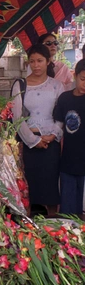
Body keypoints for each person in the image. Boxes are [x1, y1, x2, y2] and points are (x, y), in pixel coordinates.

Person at [12, 44, 63, 217]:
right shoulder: (20, 85)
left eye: (40, 61)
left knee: (50, 185)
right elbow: (17, 117)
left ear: (48, 61)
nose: (36, 65)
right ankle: (29, 226)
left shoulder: (57, 86)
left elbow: (61, 115)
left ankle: (53, 225)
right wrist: (34, 141)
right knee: (27, 185)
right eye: (32, 61)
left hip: (51, 143)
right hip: (28, 143)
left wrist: (52, 135)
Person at [54, 59, 85, 218]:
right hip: (68, 161)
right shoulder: (65, 99)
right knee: (67, 211)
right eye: (83, 79)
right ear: (75, 76)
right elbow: (58, 127)